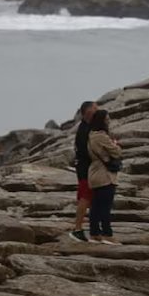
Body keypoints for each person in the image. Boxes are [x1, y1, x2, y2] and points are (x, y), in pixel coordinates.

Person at [87, 110, 122, 245]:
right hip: (104, 175)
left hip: (94, 173)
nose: (108, 121)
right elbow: (117, 152)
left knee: (95, 206)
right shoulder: (101, 136)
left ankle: (94, 233)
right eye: (107, 119)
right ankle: (107, 234)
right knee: (105, 207)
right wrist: (115, 144)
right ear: (101, 121)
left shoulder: (91, 135)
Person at [67, 100, 97, 243]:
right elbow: (87, 151)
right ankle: (77, 229)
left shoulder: (85, 127)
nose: (97, 110)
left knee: (88, 198)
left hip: (84, 168)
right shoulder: (84, 129)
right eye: (95, 108)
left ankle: (93, 229)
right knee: (85, 198)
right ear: (88, 111)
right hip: (86, 169)